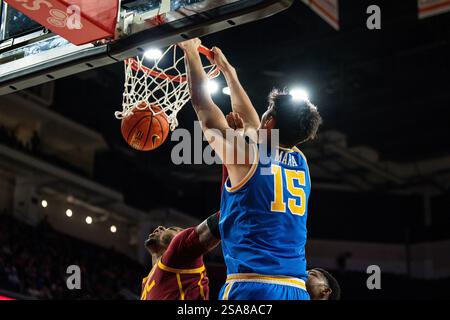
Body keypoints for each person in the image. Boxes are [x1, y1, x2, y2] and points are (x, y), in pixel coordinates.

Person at [179, 38, 322, 300]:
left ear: (270, 122)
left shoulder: (247, 156)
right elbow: (252, 123)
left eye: (267, 112)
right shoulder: (301, 162)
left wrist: (189, 50)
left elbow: (203, 106)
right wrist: (228, 72)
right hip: (296, 290)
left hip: (253, 286)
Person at [140, 213, 220, 300]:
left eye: (171, 229)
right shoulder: (146, 283)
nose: (160, 227)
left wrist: (234, 203)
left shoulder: (179, 251)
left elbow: (217, 223)